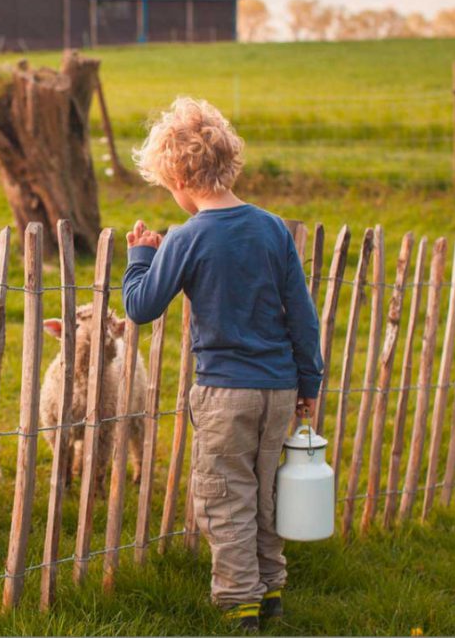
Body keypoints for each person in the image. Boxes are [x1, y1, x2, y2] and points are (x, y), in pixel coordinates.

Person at [122, 97, 323, 633]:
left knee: (222, 495)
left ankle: (239, 605)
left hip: (224, 393)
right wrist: (310, 381)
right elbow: (302, 316)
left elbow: (141, 307)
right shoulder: (273, 228)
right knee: (264, 489)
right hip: (278, 388)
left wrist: (142, 256)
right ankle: (271, 588)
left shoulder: (188, 237)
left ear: (179, 177)